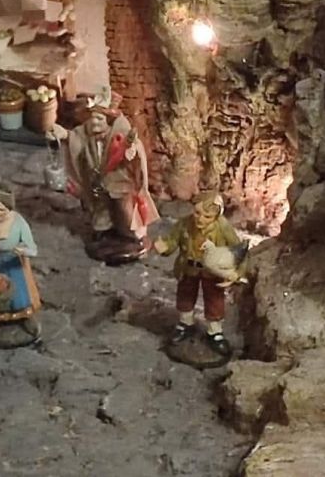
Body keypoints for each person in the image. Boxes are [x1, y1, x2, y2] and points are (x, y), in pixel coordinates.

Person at [65, 102, 159, 262]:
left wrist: (131, 152)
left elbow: (132, 154)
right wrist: (64, 136)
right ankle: (105, 232)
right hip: (100, 184)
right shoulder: (88, 137)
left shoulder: (118, 136)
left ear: (108, 121)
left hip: (120, 184)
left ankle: (131, 237)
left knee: (124, 211)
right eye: (92, 118)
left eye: (99, 119)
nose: (95, 122)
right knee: (102, 210)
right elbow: (76, 140)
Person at [153, 191, 243, 356]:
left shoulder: (223, 228)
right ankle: (185, 323)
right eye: (197, 213)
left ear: (216, 216)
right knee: (185, 295)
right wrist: (165, 247)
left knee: (214, 299)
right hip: (189, 267)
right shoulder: (185, 224)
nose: (200, 219)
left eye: (207, 216)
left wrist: (236, 271)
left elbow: (237, 249)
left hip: (212, 271)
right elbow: (173, 240)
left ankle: (214, 331)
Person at [0, 184, 41, 317]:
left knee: (16, 295)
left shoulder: (18, 223)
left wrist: (22, 251)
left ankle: (18, 312)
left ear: (9, 210)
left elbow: (33, 250)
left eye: (1, 209)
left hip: (11, 263)